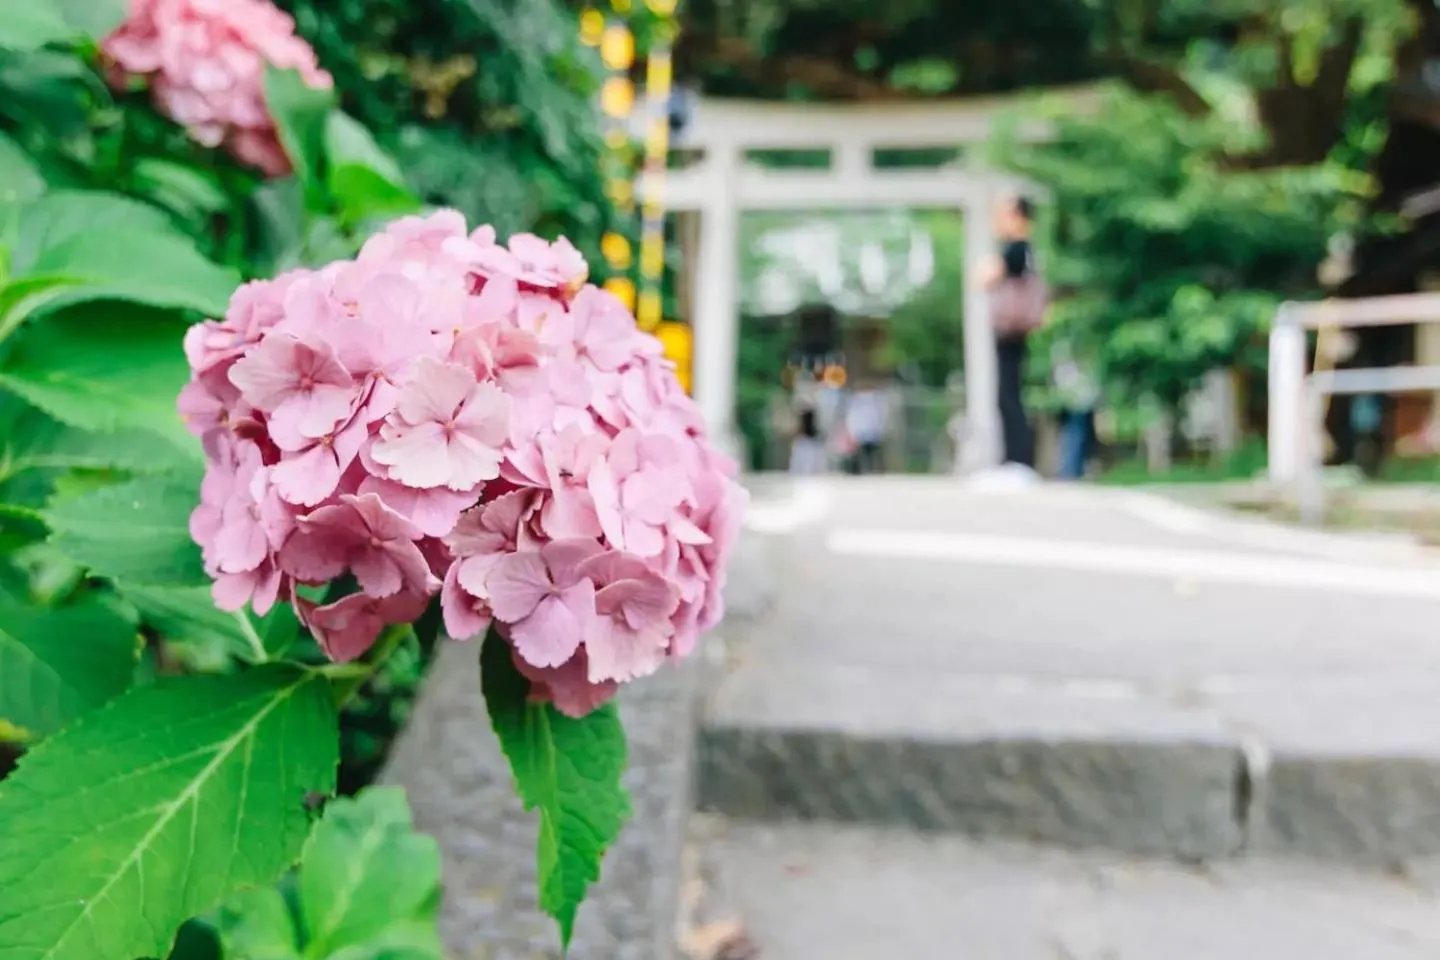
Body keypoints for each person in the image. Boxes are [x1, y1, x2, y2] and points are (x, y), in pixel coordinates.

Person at [980, 195, 1047, 469]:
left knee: (1008, 396)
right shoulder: (1028, 250)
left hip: (1011, 326)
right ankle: (1016, 461)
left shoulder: (1017, 249)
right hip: (1018, 328)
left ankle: (1017, 461)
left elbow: (984, 278)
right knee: (1009, 394)